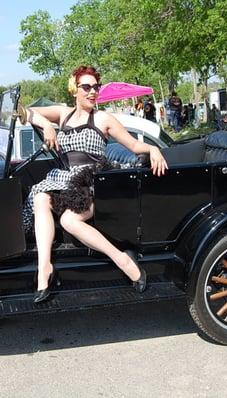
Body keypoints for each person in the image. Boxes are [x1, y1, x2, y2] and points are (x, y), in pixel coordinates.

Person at [23, 65, 168, 303]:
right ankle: (44, 268)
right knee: (40, 197)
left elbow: (133, 146)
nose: (92, 92)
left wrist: (152, 148)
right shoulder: (63, 114)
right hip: (64, 177)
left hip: (94, 181)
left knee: (69, 220)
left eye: (95, 87)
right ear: (75, 90)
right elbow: (26, 112)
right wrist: (47, 125)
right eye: (86, 87)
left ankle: (123, 260)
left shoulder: (102, 118)